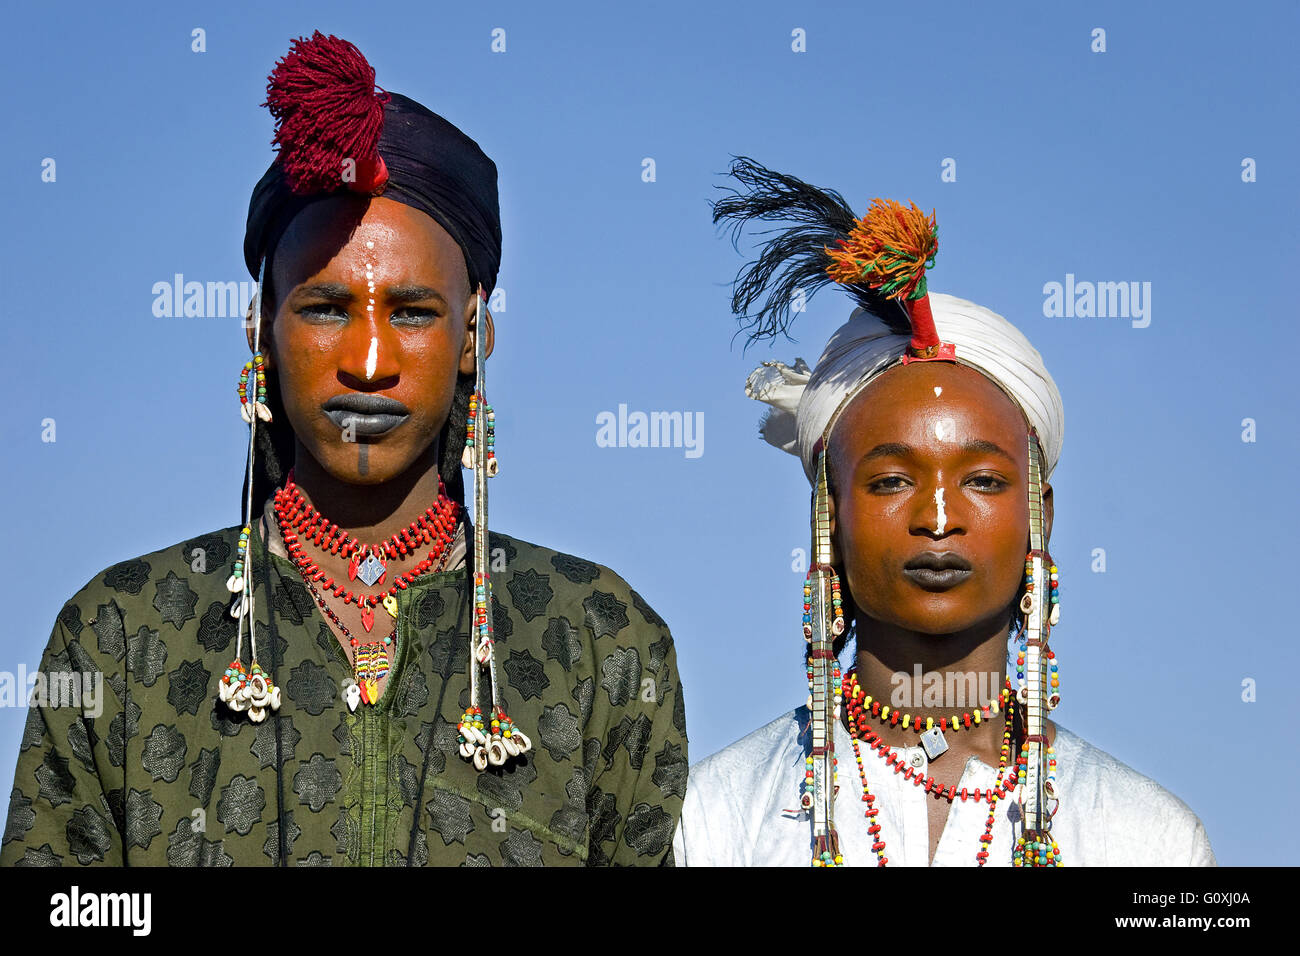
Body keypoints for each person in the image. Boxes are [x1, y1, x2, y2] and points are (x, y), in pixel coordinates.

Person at [2, 32, 686, 867]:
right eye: (327, 307)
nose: (368, 362)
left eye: (412, 312)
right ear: (263, 330)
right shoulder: (120, 635)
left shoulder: (599, 640)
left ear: (476, 335)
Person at [672, 158, 1213, 867]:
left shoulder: (1147, 840)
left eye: (983, 482)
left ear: (1038, 516)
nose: (937, 518)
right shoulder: (717, 819)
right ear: (827, 512)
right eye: (892, 480)